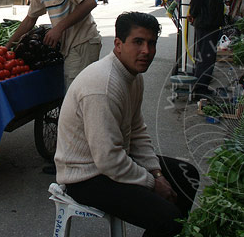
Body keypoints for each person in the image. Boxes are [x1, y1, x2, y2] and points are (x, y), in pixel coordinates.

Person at [55, 12, 199, 236]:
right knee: (168, 217)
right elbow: (108, 159)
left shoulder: (133, 77)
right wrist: (152, 183)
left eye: (151, 43)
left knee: (187, 176)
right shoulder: (102, 86)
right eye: (138, 42)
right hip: (85, 177)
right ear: (118, 44)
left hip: (112, 162)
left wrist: (157, 173)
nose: (146, 51)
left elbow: (138, 131)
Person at [188, 0, 224, 99]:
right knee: (206, 56)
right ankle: (200, 90)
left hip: (210, 23)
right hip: (206, 23)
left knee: (206, 55)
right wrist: (193, 14)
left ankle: (201, 87)